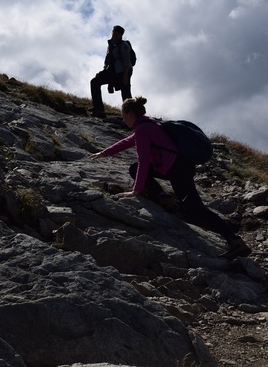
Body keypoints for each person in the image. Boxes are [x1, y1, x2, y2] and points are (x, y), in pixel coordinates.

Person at [89, 96, 252, 260]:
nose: (123, 120)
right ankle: (164, 198)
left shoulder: (143, 129)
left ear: (130, 114)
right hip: (177, 166)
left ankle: (236, 242)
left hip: (178, 170)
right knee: (135, 169)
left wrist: (136, 190)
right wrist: (105, 152)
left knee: (196, 208)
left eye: (124, 116)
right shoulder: (149, 123)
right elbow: (128, 141)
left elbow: (144, 161)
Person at [89, 25, 133, 118]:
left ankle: (131, 117)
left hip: (123, 72)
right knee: (95, 82)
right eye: (113, 32)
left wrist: (125, 77)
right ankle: (98, 109)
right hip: (112, 72)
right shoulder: (111, 44)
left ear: (121, 35)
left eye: (117, 33)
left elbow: (127, 62)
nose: (114, 35)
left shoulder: (123, 45)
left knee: (126, 94)